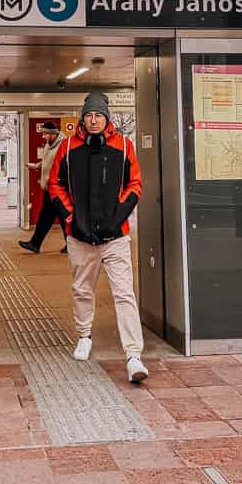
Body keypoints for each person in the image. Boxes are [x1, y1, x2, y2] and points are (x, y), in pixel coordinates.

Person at [50, 92, 149, 383]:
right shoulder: (68, 148)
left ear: (107, 118)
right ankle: (84, 336)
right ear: (83, 119)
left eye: (98, 115)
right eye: (89, 116)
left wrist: (118, 217)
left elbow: (135, 185)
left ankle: (133, 355)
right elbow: (56, 186)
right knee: (82, 290)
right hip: (80, 237)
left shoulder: (124, 146)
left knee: (124, 294)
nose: (93, 121)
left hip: (115, 237)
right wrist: (70, 219)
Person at [20, 122, 66, 254]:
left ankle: (35, 243)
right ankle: (36, 243)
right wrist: (36, 165)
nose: (44, 136)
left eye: (46, 134)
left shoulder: (62, 146)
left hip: (57, 188)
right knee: (56, 217)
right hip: (48, 187)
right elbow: (48, 162)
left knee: (49, 217)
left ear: (53, 133)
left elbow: (61, 165)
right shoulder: (48, 146)